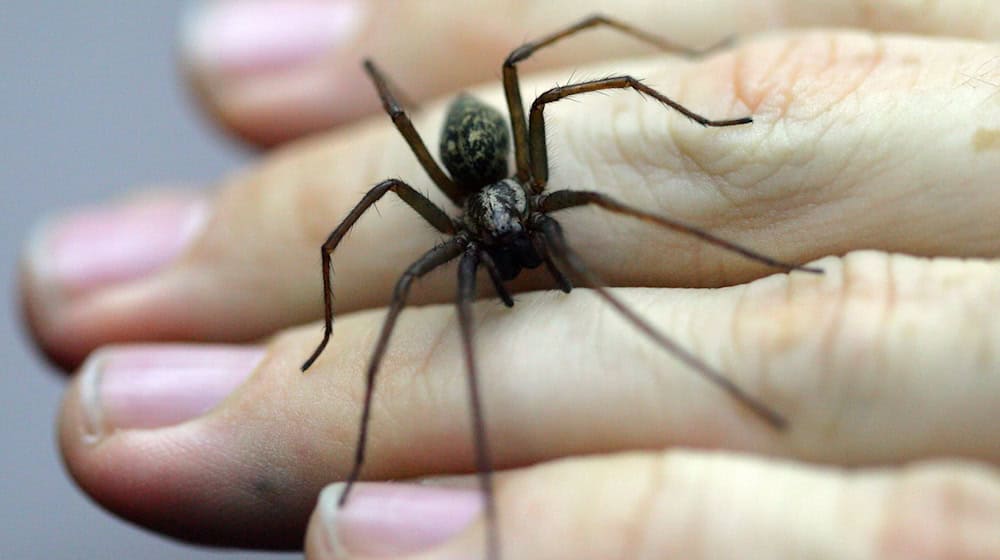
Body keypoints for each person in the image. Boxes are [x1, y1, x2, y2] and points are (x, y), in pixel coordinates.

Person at [20, 1, 1000, 558]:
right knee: (410, 287)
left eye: (517, 228)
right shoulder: (451, 229)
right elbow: (347, 246)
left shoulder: (536, 192)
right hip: (464, 170)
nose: (515, 242)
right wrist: (332, 346)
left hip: (498, 164)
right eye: (502, 234)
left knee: (566, 108)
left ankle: (765, 262)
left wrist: (721, 146)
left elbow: (586, 79)